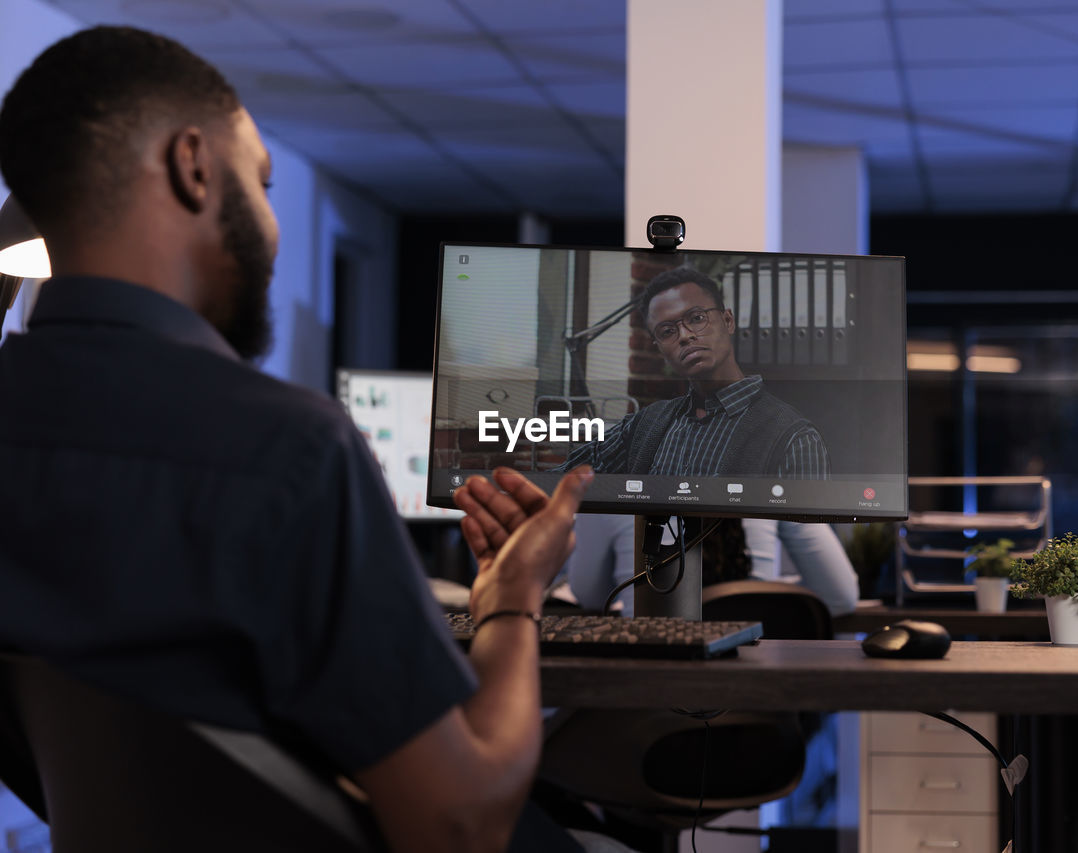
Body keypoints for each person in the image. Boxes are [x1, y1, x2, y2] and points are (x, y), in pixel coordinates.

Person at [0, 26, 621, 853]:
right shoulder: (287, 450)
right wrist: (515, 595)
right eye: (260, 181)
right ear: (193, 165)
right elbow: (460, 825)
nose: (274, 225)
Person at [556, 267, 830, 479]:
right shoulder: (644, 426)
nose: (685, 336)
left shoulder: (793, 437)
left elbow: (807, 536)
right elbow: (561, 480)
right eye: (667, 332)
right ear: (659, 348)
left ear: (728, 321)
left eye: (696, 318)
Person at [567, 514, 859, 617]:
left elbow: (589, 596)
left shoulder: (616, 480)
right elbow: (840, 595)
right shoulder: (771, 477)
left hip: (647, 708)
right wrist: (768, 594)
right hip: (755, 711)